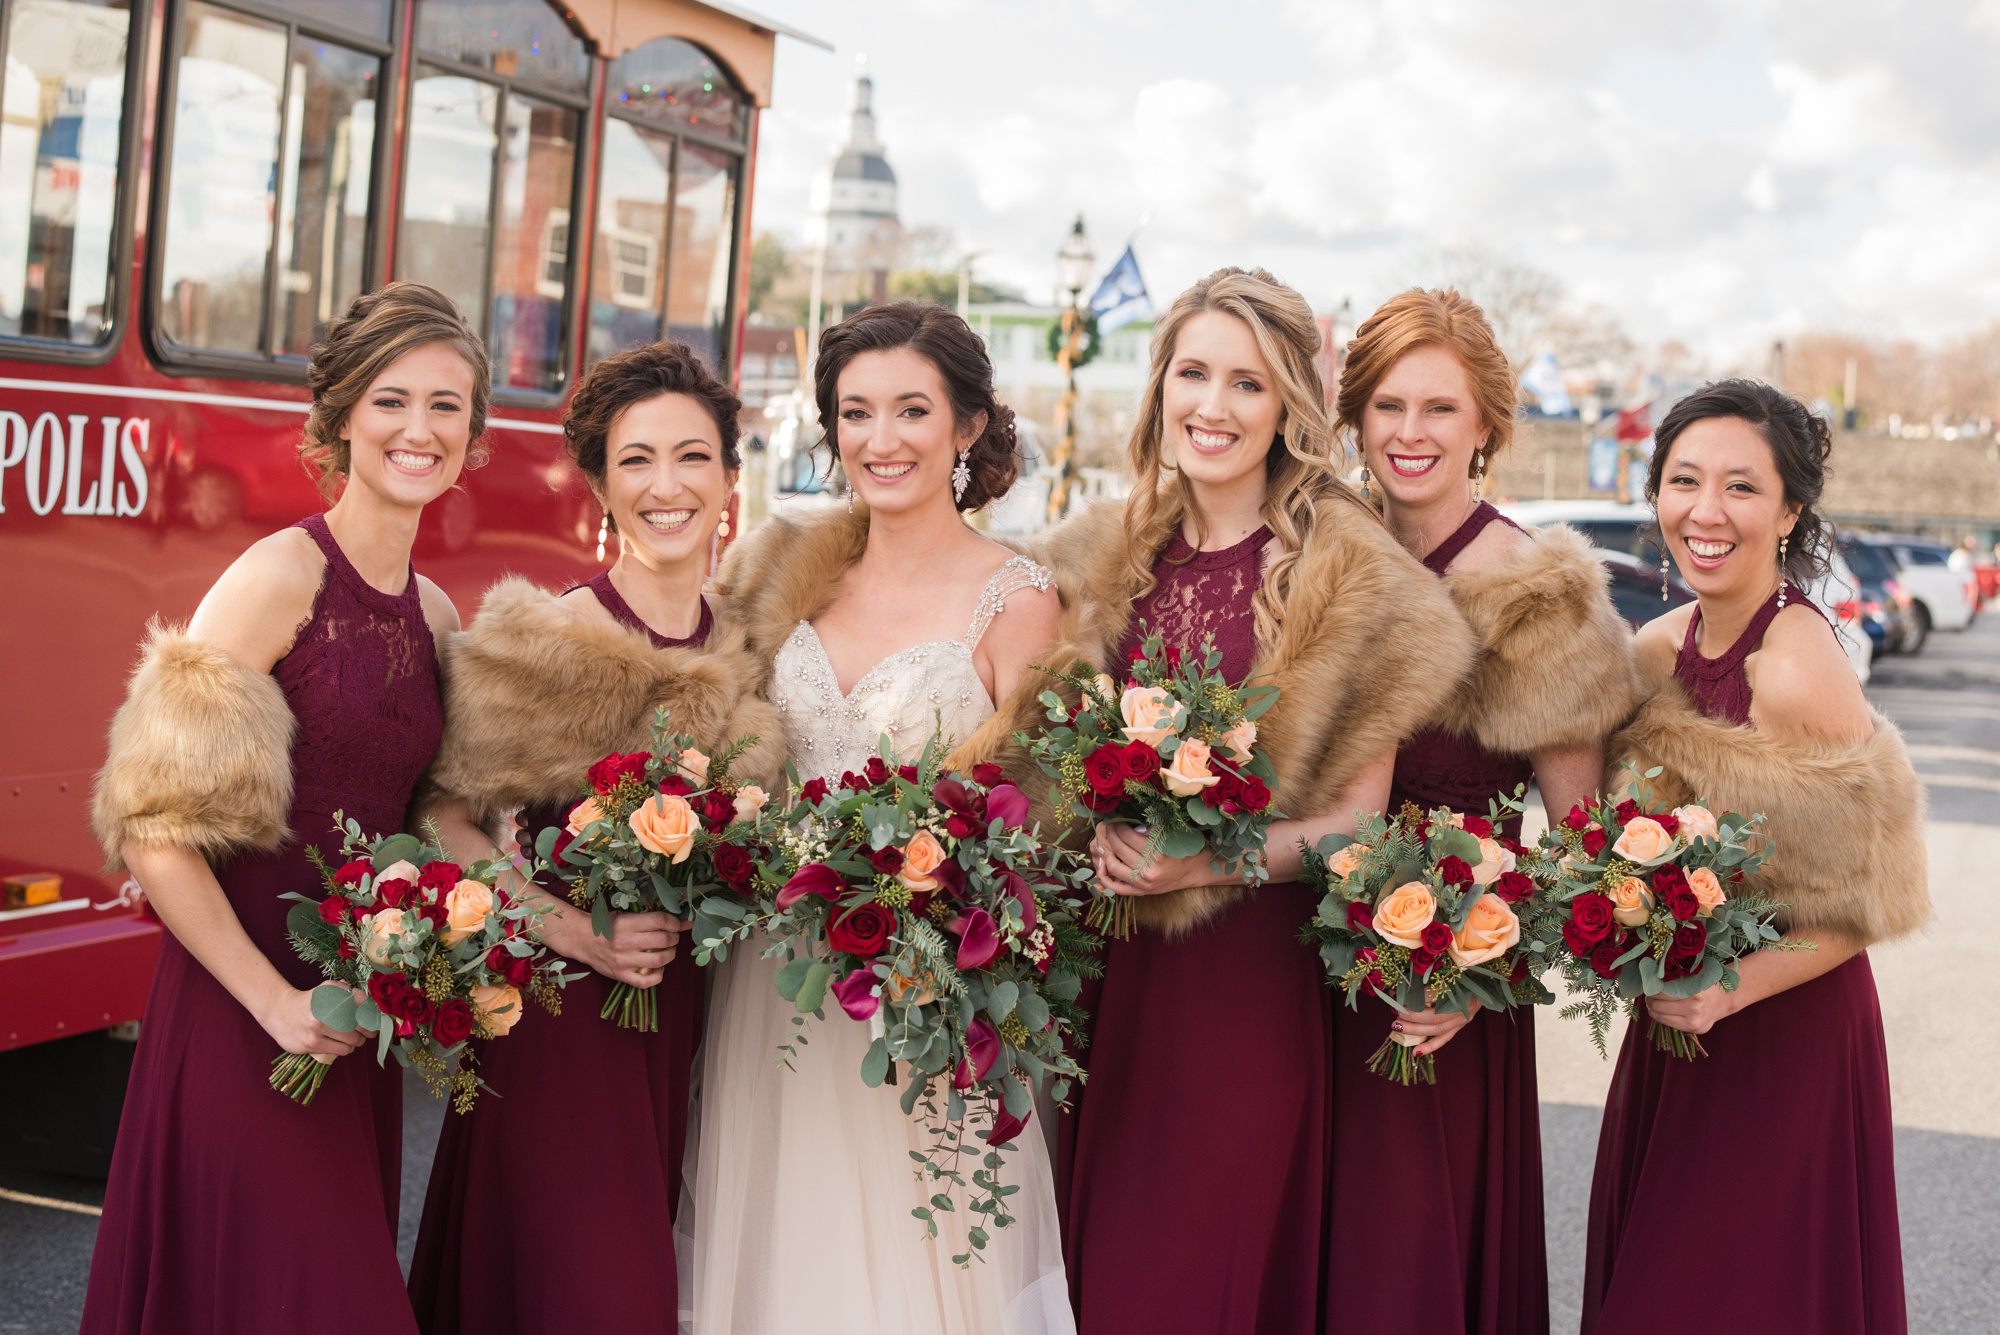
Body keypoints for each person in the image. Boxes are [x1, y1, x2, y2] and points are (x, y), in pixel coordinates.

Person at [1021, 268, 1474, 1334]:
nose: (1212, 408)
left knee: (1195, 1279)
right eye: (1193, 374)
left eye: (1247, 384)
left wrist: (1203, 862)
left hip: (1246, 987)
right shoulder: (1093, 555)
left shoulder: (1350, 573)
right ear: (1159, 386)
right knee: (1091, 1277)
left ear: (1288, 412)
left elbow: (1357, 825)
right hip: (1103, 978)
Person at [82, 283, 482, 1335]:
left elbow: (432, 818)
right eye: (393, 400)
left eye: (448, 405)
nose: (420, 429)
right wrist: (273, 1004)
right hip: (244, 1014)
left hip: (354, 1023)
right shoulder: (275, 579)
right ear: (345, 412)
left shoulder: (437, 614)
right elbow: (153, 828)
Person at [685, 302, 1072, 1334]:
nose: (880, 439)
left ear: (968, 428)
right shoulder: (786, 580)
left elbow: (1034, 822)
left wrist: (940, 910)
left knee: (924, 1261)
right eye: (854, 413)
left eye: (911, 410)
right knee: (780, 1251)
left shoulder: (1018, 598)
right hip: (775, 987)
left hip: (925, 988)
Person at [405, 342, 783, 1333]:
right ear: (601, 490)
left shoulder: (753, 657)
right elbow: (442, 814)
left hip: (707, 1037)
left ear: (730, 480)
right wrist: (569, 929)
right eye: (637, 461)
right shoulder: (549, 642)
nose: (668, 486)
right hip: (565, 1038)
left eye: (693, 457)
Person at [1581, 380, 1927, 1335]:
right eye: (1684, 480)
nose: (1706, 510)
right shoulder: (1653, 652)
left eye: (1741, 486)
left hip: (1782, 1037)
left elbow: (1871, 901)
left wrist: (1732, 991)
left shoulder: (1796, 662)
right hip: (1676, 1025)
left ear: (1789, 511)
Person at [1323, 289, 1636, 1333]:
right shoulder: (1321, 554)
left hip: (1438, 988)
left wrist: (1477, 974)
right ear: (1354, 418)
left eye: (1438, 409)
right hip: (1294, 961)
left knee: (1401, 1272)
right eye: (1386, 406)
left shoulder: (1528, 591)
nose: (1408, 434)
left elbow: (1581, 840)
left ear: (1484, 428)